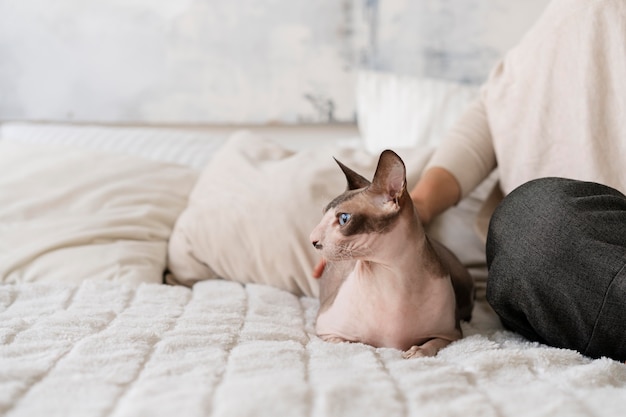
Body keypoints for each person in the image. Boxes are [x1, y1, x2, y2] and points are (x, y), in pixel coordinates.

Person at [316, 0, 626, 362]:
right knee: (530, 225)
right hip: (578, 252)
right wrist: (415, 213)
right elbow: (497, 107)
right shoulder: (573, 17)